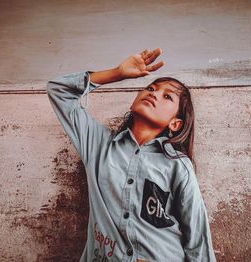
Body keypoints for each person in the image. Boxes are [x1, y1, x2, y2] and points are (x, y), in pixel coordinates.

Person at [46, 47, 216, 261]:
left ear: (175, 123)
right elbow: (58, 90)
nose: (154, 94)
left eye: (167, 96)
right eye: (151, 88)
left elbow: (198, 238)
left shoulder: (177, 165)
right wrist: (117, 73)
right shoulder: (99, 145)